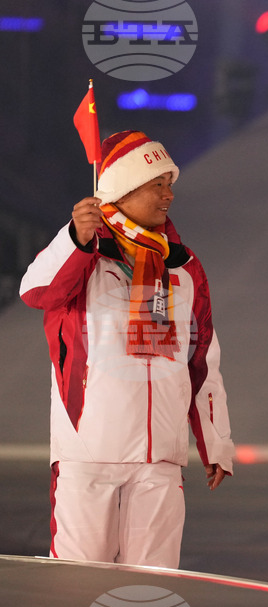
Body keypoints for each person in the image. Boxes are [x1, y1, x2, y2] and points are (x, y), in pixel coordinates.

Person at [20, 130, 234, 568]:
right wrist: (76, 238)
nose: (169, 195)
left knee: (154, 585)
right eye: (158, 184)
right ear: (123, 188)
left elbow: (202, 358)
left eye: (169, 184)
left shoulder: (183, 264)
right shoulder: (86, 253)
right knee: (75, 585)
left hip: (160, 458)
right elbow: (36, 290)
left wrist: (215, 441)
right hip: (89, 452)